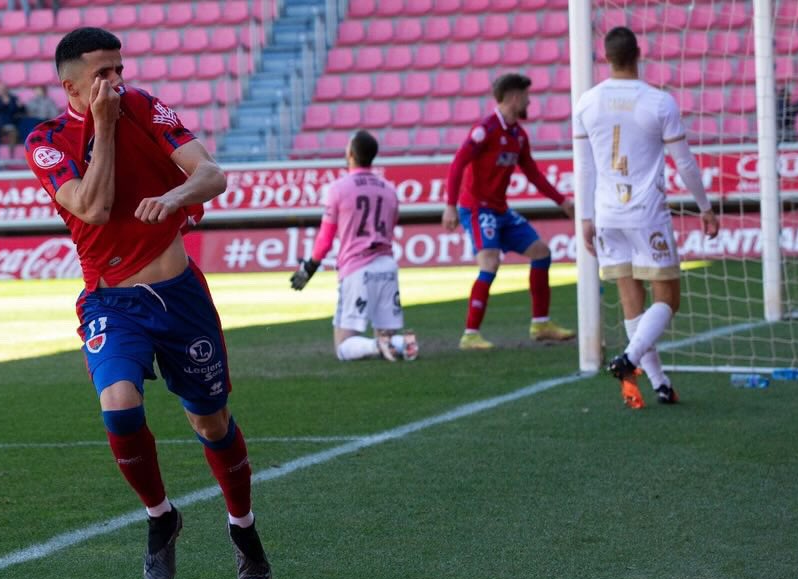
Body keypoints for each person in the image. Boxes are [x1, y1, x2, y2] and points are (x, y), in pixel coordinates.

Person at [24, 27, 271, 579]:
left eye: (119, 69)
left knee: (210, 420)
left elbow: (212, 174)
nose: (116, 82)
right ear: (72, 87)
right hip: (112, 300)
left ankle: (244, 529)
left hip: (180, 295)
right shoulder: (48, 141)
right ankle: (161, 516)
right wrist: (103, 128)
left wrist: (177, 195)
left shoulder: (144, 106)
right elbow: (93, 204)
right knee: (119, 407)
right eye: (102, 75)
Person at [573, 27, 720, 408]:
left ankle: (659, 383)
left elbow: (584, 167)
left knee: (630, 302)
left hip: (606, 215)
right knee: (668, 299)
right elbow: (684, 163)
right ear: (639, 53)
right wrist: (704, 207)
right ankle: (630, 359)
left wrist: (585, 217)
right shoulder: (658, 102)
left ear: (606, 57)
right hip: (647, 214)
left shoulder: (586, 102)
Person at [442, 73, 577, 350]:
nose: (529, 101)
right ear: (515, 97)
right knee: (490, 263)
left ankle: (541, 324)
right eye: (526, 96)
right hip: (478, 209)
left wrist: (561, 201)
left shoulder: (518, 136)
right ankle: (470, 334)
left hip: (500, 210)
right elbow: (458, 164)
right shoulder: (485, 130)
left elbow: (533, 174)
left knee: (542, 252)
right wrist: (450, 205)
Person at [289, 130, 419, 362]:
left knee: (343, 346)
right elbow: (391, 226)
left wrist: (309, 268)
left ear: (350, 153)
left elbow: (325, 238)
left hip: (357, 269)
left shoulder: (338, 188)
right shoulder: (389, 189)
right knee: (388, 339)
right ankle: (401, 343)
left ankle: (379, 346)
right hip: (387, 266)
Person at [0, 82, 22, 160]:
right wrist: (4, 104)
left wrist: (20, 106)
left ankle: (11, 156)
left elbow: (19, 111)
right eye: (0, 89)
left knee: (14, 134)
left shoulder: (13, 99)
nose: (2, 90)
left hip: (11, 124)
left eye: (3, 88)